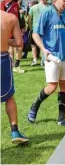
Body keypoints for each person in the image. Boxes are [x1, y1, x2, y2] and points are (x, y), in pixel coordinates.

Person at [27, 0, 65, 126]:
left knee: (64, 86)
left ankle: (61, 118)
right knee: (52, 87)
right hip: (51, 57)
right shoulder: (47, 13)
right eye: (64, 1)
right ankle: (35, 105)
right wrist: (43, 50)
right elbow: (35, 34)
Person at [1, 10, 29, 144]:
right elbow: (19, 43)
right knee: (9, 96)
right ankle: (14, 131)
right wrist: (6, 40)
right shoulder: (10, 17)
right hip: (2, 58)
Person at [1, 0, 25, 74]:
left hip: (16, 28)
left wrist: (22, 26)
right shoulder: (3, 4)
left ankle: (17, 64)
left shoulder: (15, 4)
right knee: (10, 48)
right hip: (7, 28)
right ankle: (11, 66)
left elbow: (18, 16)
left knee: (20, 45)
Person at [28, 0, 48, 66]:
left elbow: (29, 19)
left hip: (34, 28)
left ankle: (35, 60)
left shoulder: (33, 7)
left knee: (33, 45)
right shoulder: (47, 8)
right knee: (43, 45)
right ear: (44, 0)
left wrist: (30, 28)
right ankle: (43, 60)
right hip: (43, 29)